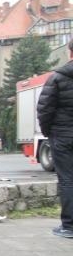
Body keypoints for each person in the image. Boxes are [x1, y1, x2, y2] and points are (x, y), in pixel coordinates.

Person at [37, 39, 73, 239]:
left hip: (63, 137)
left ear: (70, 52)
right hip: (62, 134)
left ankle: (69, 226)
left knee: (67, 180)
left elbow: (44, 109)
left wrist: (47, 132)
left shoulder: (57, 78)